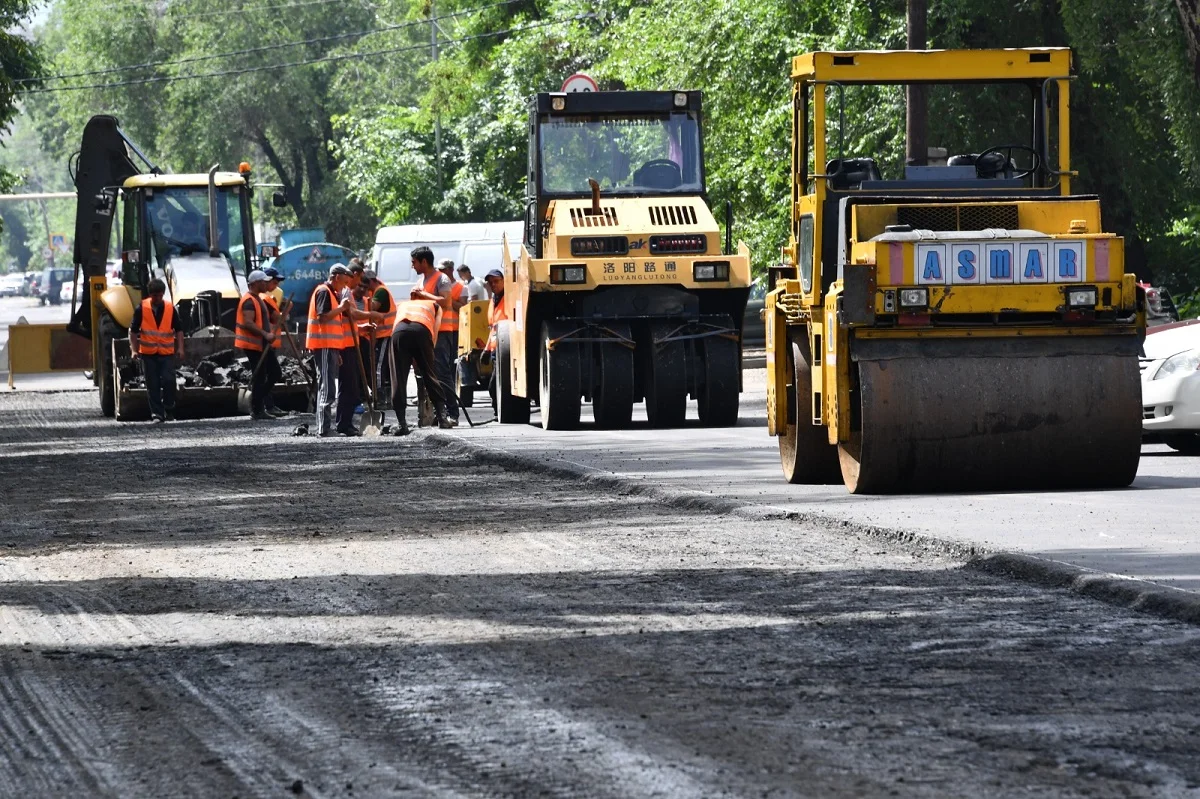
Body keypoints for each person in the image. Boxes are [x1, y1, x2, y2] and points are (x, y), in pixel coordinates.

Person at [389, 297, 452, 435]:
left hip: (399, 333)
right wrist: (427, 359)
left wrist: (412, 357)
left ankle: (402, 424)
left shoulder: (403, 304)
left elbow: (398, 325)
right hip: (421, 331)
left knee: (398, 377)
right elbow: (434, 332)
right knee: (430, 375)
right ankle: (442, 419)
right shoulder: (436, 306)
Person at [306, 263, 356, 436]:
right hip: (324, 345)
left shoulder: (331, 294)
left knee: (326, 386)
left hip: (330, 347)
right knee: (327, 387)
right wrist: (342, 308)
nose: (345, 286)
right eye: (344, 281)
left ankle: (325, 427)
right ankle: (324, 429)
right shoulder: (324, 292)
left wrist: (337, 350)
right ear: (336, 277)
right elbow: (323, 318)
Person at [412, 249, 458, 426]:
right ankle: (440, 414)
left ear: (424, 262)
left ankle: (452, 413)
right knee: (430, 373)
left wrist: (425, 295)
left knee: (442, 372)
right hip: (428, 331)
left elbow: (446, 302)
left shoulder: (442, 279)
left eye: (414, 262)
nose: (412, 265)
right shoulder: (421, 280)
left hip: (443, 330)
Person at [128, 277, 184, 424]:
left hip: (166, 353)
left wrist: (181, 348)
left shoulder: (170, 308)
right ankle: (157, 414)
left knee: (169, 380)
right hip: (148, 354)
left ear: (163, 294)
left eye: (160, 295)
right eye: (155, 296)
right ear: (150, 294)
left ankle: (169, 409)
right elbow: (133, 331)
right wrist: (134, 350)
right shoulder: (141, 308)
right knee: (152, 384)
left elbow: (179, 330)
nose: (158, 298)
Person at [235, 270, 277, 420]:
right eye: (264, 281)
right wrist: (265, 334)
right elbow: (247, 322)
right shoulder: (248, 301)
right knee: (260, 377)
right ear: (256, 283)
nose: (266, 284)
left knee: (274, 373)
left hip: (262, 344)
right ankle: (257, 408)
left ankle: (257, 402)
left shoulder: (258, 299)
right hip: (254, 345)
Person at [259, 266, 290, 416]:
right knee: (272, 373)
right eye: (275, 282)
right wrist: (288, 310)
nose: (276, 285)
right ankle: (264, 404)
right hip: (266, 341)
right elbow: (279, 320)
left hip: (269, 341)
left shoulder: (268, 298)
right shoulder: (264, 299)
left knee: (268, 374)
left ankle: (267, 405)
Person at [363, 270, 396, 401]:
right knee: (381, 365)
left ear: (370, 282)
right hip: (381, 335)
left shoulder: (381, 291)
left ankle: (379, 395)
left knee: (379, 365)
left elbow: (372, 307)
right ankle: (383, 394)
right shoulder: (376, 291)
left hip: (386, 334)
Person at [483, 268, 508, 403]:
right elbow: (493, 327)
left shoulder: (510, 298)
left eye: (496, 281)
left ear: (504, 281)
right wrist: (486, 350)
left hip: (506, 349)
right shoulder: (493, 300)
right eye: (490, 282)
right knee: (496, 384)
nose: (493, 284)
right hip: (495, 350)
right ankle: (497, 410)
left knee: (494, 385)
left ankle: (498, 410)